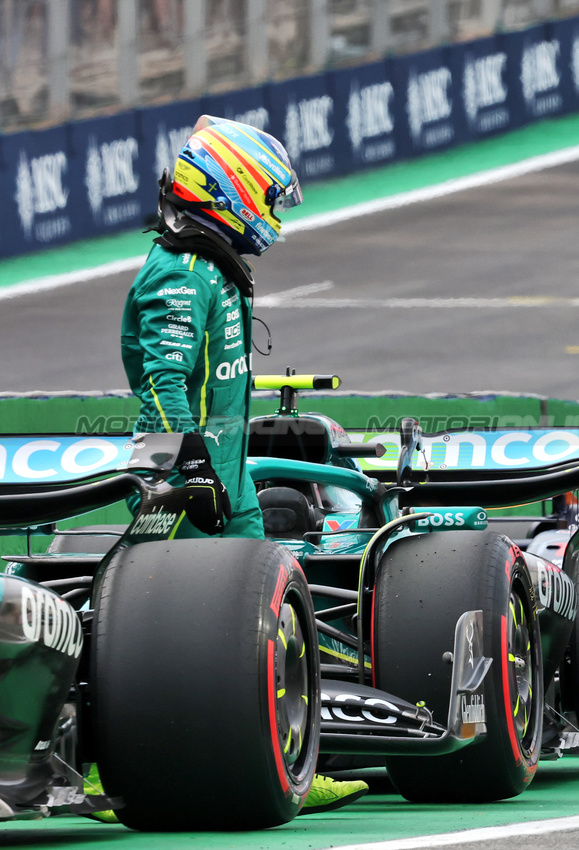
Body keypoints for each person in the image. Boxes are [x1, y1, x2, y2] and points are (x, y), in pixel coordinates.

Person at [114, 114, 366, 817]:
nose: (272, 214)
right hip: (182, 481)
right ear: (228, 191)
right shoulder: (181, 270)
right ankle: (116, 767)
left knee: (269, 626)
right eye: (267, 196)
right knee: (161, 634)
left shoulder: (214, 266)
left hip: (229, 477)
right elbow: (160, 378)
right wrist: (185, 469)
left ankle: (286, 763)